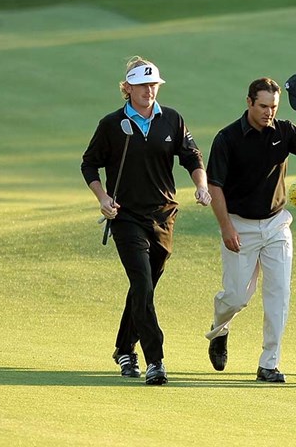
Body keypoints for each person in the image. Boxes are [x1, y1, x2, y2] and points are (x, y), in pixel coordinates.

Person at [81, 57, 212, 386]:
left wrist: (201, 185)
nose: (148, 91)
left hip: (164, 215)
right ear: (127, 88)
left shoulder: (171, 120)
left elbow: (192, 156)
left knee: (145, 289)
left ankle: (124, 347)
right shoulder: (112, 124)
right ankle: (156, 360)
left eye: (153, 85)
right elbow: (89, 165)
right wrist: (102, 199)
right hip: (126, 216)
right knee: (141, 284)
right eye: (141, 85)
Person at [205, 77, 296, 383]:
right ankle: (220, 329)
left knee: (279, 294)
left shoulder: (284, 130)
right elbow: (214, 186)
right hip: (239, 225)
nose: (268, 112)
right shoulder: (227, 139)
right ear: (249, 102)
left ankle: (269, 363)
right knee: (236, 297)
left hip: (276, 224)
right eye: (263, 106)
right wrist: (226, 228)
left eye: (273, 107)